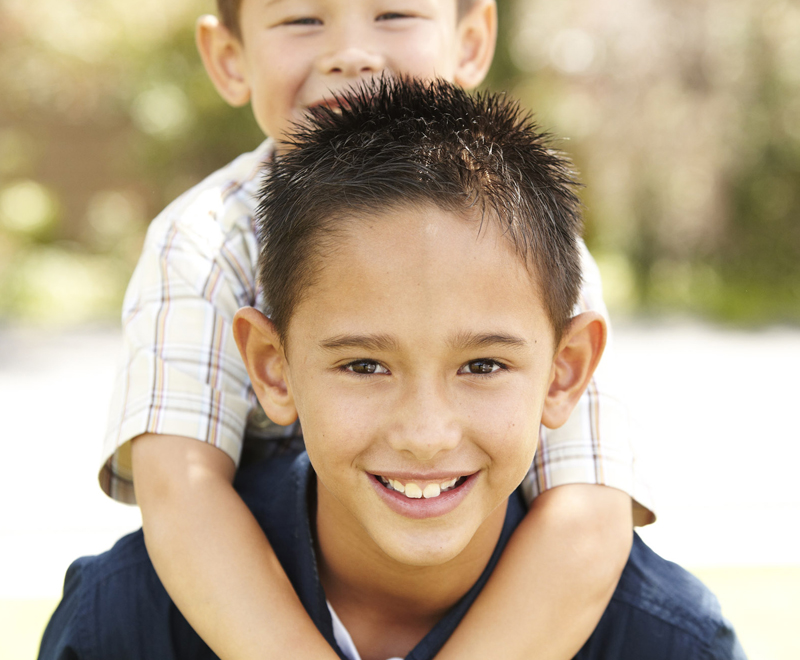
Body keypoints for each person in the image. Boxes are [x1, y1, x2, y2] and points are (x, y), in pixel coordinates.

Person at [40, 77, 745, 660]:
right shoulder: (124, 628)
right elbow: (178, 489)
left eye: (483, 364)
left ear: (565, 373)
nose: (426, 434)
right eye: (365, 365)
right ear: (272, 368)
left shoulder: (665, 642)